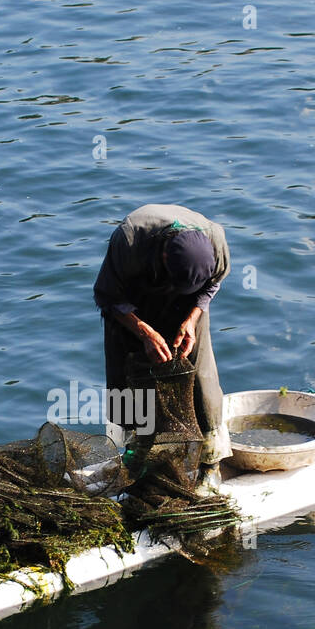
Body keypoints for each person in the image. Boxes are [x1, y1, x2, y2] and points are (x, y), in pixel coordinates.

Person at [93, 203, 231, 492]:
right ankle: (136, 454)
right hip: (130, 307)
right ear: (165, 255)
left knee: (201, 378)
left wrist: (192, 320)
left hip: (188, 308)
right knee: (126, 379)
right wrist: (143, 332)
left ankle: (210, 462)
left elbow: (212, 284)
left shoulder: (215, 238)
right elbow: (106, 295)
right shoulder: (129, 238)